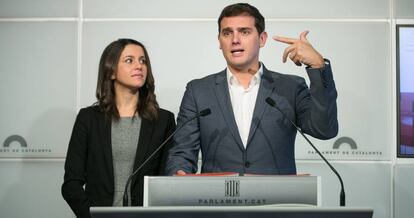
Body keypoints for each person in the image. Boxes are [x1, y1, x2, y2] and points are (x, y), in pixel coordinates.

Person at [165, 3, 338, 176]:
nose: (235, 40)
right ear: (219, 41)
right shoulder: (198, 91)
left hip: (277, 201)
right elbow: (182, 151)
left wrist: (318, 66)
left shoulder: (290, 87)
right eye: (227, 33)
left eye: (244, 32)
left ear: (262, 39)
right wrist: (178, 173)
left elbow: (324, 130)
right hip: (217, 201)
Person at [62, 39, 175, 217]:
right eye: (129, 60)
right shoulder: (89, 118)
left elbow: (166, 182)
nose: (139, 66)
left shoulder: (164, 120)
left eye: (143, 61)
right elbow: (71, 184)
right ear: (111, 71)